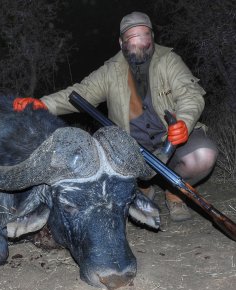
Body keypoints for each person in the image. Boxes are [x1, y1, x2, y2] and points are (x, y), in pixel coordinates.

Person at [13, 12, 218, 222]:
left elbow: (191, 95)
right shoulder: (110, 70)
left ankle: (174, 191)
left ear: (152, 37)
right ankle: (141, 186)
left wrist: (183, 122)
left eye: (144, 36)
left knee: (203, 155)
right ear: (121, 43)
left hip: (170, 141)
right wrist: (43, 104)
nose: (140, 43)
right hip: (132, 148)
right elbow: (80, 93)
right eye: (132, 38)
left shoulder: (169, 60)